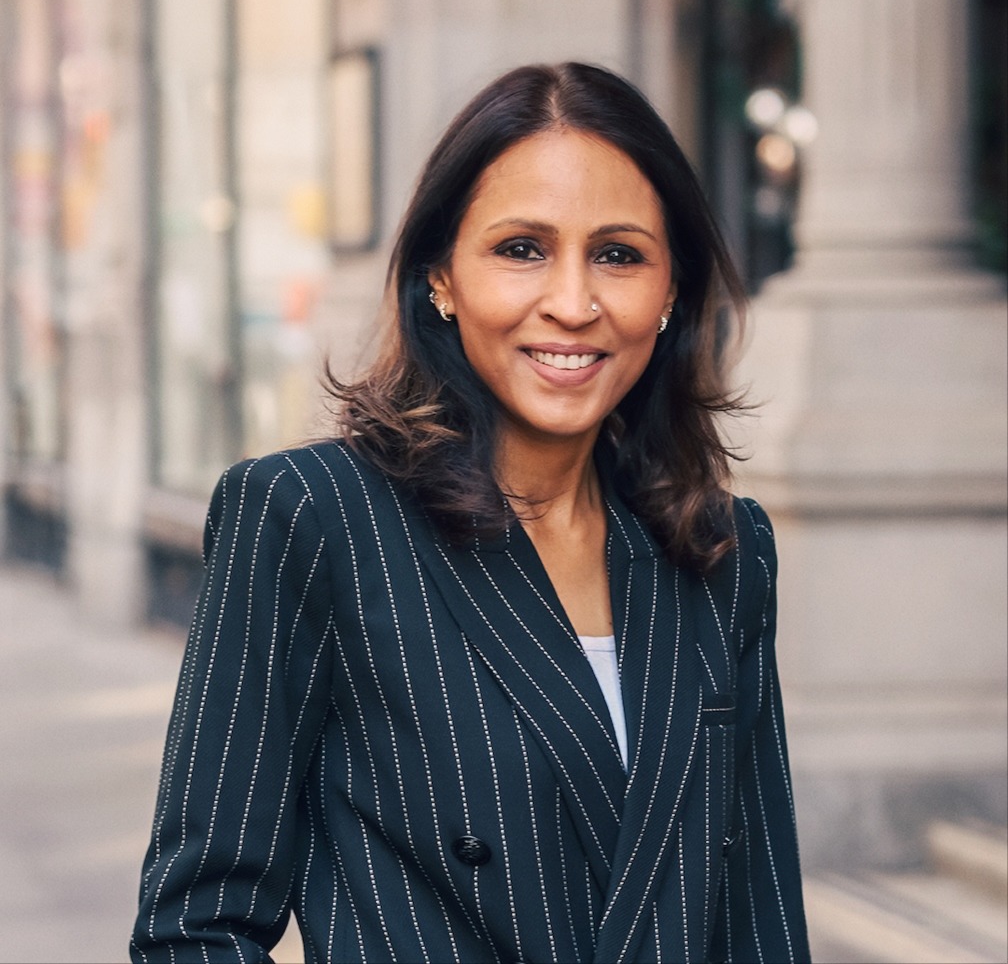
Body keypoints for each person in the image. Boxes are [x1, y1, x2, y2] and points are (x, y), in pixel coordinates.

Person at [131, 62, 809, 964]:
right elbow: (196, 929)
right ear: (440, 278)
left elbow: (761, 924)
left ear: (672, 289)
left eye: (618, 253)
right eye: (522, 248)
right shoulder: (314, 518)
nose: (573, 303)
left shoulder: (721, 550)